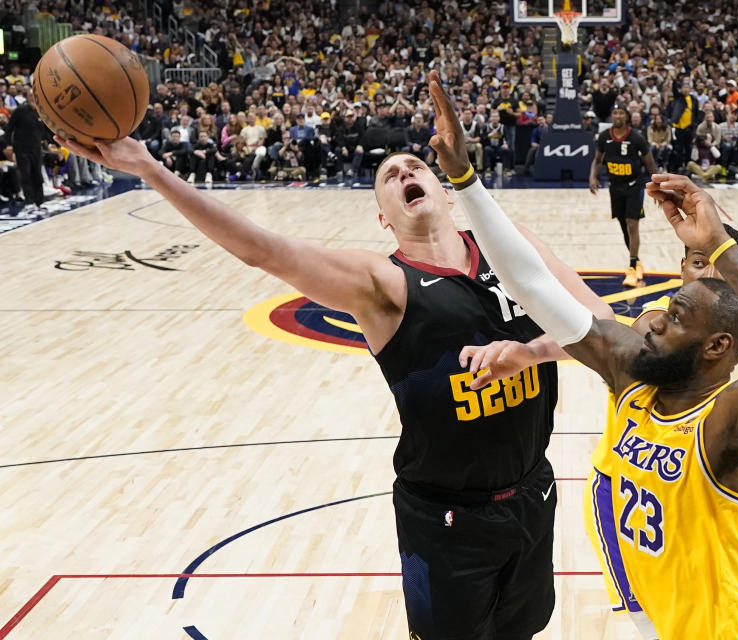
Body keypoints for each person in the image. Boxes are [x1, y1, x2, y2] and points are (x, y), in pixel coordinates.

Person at [56, 73, 611, 638]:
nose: (404, 172)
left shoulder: (513, 249)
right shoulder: (382, 281)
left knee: (524, 632)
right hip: (445, 516)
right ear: (384, 219)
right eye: (390, 176)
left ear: (447, 190)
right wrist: (151, 169)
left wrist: (530, 352)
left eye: (416, 166)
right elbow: (262, 250)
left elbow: (605, 325)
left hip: (533, 493)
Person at [427, 73, 738, 639]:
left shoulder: (734, 421)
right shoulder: (635, 373)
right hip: (658, 616)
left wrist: (721, 246)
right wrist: (464, 179)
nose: (649, 321)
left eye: (673, 319)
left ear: (717, 347)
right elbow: (532, 285)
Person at [590, 102, 658, 288]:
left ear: (626, 117)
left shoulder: (636, 138)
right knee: (623, 226)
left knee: (632, 224)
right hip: (615, 187)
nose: (617, 116)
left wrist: (657, 187)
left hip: (634, 186)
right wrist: (592, 177)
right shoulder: (604, 137)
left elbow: (650, 164)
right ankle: (637, 262)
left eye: (621, 113)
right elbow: (597, 160)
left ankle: (630, 268)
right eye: (615, 113)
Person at [8, 88, 45, 216]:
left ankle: (39, 202)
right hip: (22, 149)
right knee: (26, 176)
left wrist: (48, 143)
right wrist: (8, 146)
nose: (32, 97)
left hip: (36, 149)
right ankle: (29, 203)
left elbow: (44, 132)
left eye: (35, 95)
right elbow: (9, 128)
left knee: (38, 175)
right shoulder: (20, 111)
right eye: (30, 95)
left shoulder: (40, 112)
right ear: (26, 97)